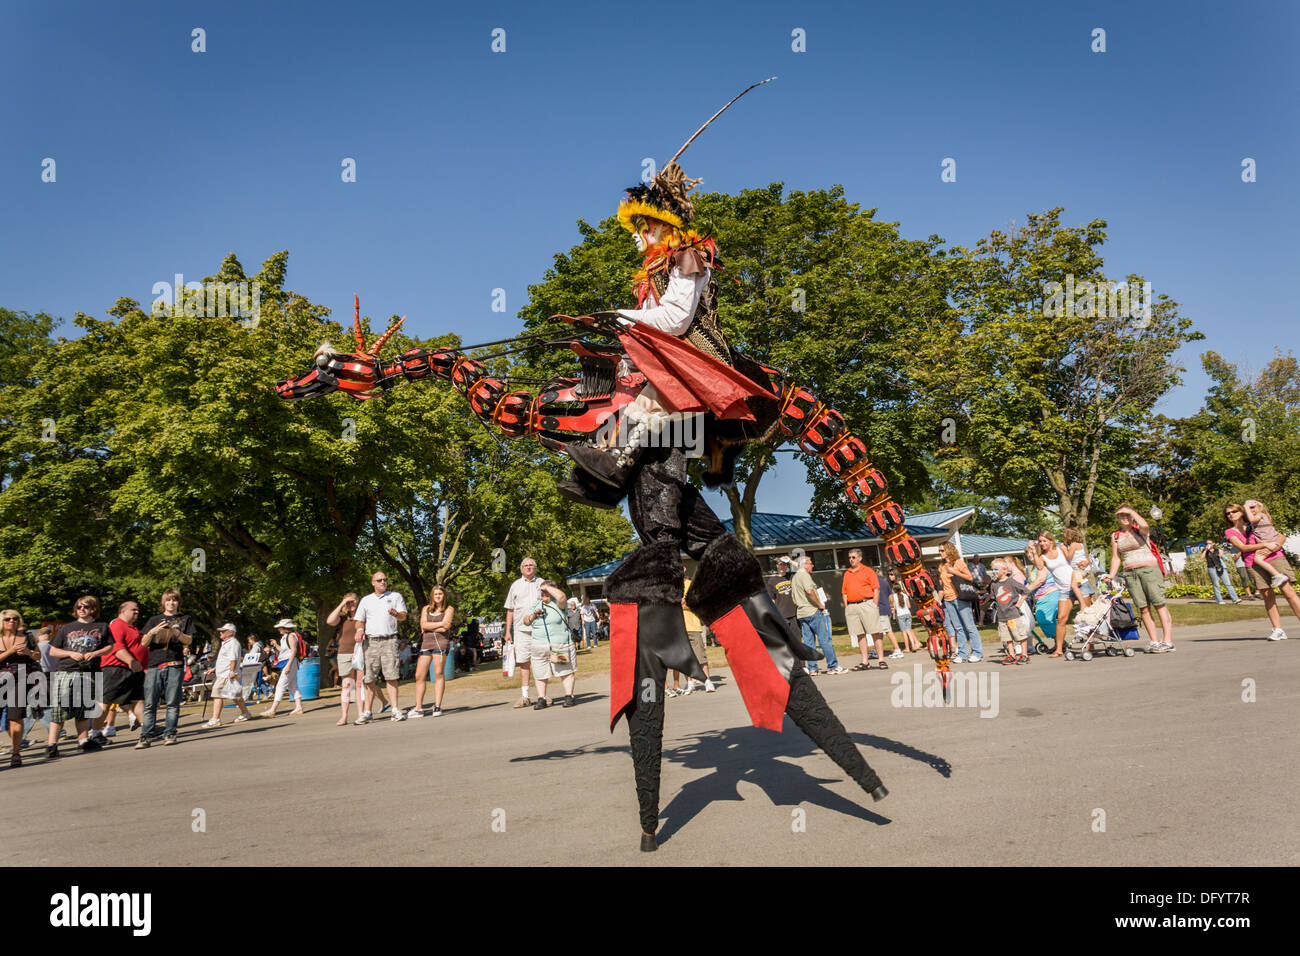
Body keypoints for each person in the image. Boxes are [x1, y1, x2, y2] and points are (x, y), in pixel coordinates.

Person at [47, 595, 114, 758]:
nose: (82, 609)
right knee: (59, 709)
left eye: (86, 607)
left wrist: (95, 653)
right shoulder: (66, 628)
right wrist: (70, 653)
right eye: (79, 607)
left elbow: (110, 646)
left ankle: (83, 741)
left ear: (93, 609)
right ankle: (51, 745)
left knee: (84, 710)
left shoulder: (102, 626)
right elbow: (52, 650)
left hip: (89, 672)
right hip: (67, 671)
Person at [1225, 502, 1300, 640]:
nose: (1231, 515)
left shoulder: (1256, 522)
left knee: (1289, 592)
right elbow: (1242, 547)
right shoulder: (1230, 532)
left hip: (1274, 558)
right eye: (1228, 513)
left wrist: (1272, 548)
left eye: (1234, 511)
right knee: (1267, 596)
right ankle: (1278, 630)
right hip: (1253, 563)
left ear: (1241, 511)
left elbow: (1281, 537)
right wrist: (1265, 544)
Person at [1106, 505, 1174, 652]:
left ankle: (1167, 641)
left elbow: (1145, 525)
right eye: (1121, 515)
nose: (1124, 518)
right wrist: (1111, 575)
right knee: (1143, 608)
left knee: (1159, 604)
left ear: (1132, 515)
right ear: (1117, 518)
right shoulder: (1115, 535)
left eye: (1127, 515)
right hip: (1130, 573)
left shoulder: (1139, 529)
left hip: (1149, 569)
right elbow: (1116, 557)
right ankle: (1154, 641)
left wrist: (1130, 511)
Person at [137, 589, 195, 748]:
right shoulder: (154, 619)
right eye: (168, 600)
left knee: (172, 702)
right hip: (154, 665)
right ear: (163, 602)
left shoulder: (185, 619)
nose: (171, 603)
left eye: (174, 600)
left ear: (178, 602)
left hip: (174, 664)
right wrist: (152, 631)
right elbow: (143, 643)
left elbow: (188, 640)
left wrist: (176, 632)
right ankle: (145, 735)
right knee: (150, 703)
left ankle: (170, 733)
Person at [354, 570, 408, 723]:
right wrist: (359, 630)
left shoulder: (395, 596)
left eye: (385, 579)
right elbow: (359, 620)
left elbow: (403, 616)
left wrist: (397, 614)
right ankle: (367, 712)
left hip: (390, 640)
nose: (383, 582)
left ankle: (395, 709)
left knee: (392, 675)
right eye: (379, 580)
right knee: (369, 677)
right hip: (371, 642)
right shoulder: (366, 600)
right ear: (373, 583)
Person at [99, 601, 148, 742]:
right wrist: (131, 661)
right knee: (105, 702)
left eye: (137, 609)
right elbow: (116, 647)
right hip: (116, 669)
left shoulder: (132, 628)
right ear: (123, 611)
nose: (137, 612)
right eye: (134, 609)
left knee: (138, 700)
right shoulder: (117, 625)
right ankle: (95, 733)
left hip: (133, 670)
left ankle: (146, 729)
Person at [523, 581, 577, 708]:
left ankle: (569, 696)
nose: (544, 593)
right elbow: (526, 621)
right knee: (540, 673)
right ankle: (541, 698)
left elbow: (562, 597)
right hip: (539, 647)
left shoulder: (559, 604)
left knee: (564, 670)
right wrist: (534, 615)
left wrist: (547, 587)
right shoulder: (536, 605)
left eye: (546, 591)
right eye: (542, 591)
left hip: (557, 645)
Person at [1031, 532, 1082, 657]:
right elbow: (1039, 566)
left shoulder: (1061, 549)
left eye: (1044, 541)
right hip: (1064, 589)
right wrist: (1033, 550)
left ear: (1051, 541)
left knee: (1086, 614)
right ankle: (1059, 650)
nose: (1042, 543)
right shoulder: (1042, 557)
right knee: (1061, 619)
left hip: (1078, 584)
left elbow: (1074, 560)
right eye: (1040, 541)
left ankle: (1091, 646)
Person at [1, 609, 40, 767]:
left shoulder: (28, 637)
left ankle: (16, 753)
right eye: (8, 619)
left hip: (20, 681)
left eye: (15, 618)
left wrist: (29, 652)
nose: (12, 621)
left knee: (16, 717)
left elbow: (38, 657)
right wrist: (9, 651)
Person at [503, 557, 543, 709]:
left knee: (540, 660)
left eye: (531, 565)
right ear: (521, 568)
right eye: (525, 565)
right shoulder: (515, 585)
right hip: (520, 630)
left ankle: (542, 695)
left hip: (539, 628)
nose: (528, 567)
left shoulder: (541, 583)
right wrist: (508, 630)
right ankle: (525, 696)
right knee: (524, 661)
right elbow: (510, 609)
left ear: (535, 568)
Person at [794, 555, 843, 674]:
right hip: (812, 611)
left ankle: (812, 668)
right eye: (810, 563)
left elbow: (794, 599)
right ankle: (833, 666)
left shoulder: (795, 577)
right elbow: (809, 591)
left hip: (801, 613)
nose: (812, 565)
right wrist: (819, 604)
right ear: (805, 565)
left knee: (809, 642)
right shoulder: (804, 576)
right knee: (824, 639)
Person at [412, 585, 455, 717]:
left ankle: (437, 706)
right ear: (432, 595)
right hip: (426, 643)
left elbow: (446, 626)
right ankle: (418, 707)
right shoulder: (426, 609)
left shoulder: (449, 609)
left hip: (440, 643)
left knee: (438, 673)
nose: (438, 596)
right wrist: (439, 624)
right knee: (419, 675)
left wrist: (432, 627)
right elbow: (423, 625)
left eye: (440, 594)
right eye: (435, 594)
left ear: (444, 596)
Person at [937, 543, 983, 663]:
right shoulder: (941, 565)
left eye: (942, 550)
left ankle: (977, 652)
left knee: (969, 626)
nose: (940, 553)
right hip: (948, 599)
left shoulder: (958, 562)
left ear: (949, 550)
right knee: (958, 628)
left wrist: (954, 572)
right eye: (939, 551)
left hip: (960, 597)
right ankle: (963, 654)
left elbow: (970, 577)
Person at [326, 593, 365, 725]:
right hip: (344, 653)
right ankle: (344, 716)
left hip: (360, 652)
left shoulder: (363, 615)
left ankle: (361, 714)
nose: (351, 604)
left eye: (352, 601)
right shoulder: (342, 618)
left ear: (357, 601)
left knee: (360, 685)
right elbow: (330, 621)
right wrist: (342, 604)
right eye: (348, 602)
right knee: (346, 685)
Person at [841, 549, 881, 671]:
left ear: (860, 558)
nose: (851, 560)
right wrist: (847, 606)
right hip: (852, 606)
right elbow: (844, 592)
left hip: (867, 604)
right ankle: (865, 661)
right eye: (849, 557)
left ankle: (881, 660)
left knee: (875, 632)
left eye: (853, 557)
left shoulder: (868, 571)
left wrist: (874, 605)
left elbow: (876, 589)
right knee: (859, 635)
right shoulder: (847, 573)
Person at [204, 624, 252, 726]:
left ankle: (215, 719)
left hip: (226, 674)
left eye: (223, 631)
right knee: (234, 695)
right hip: (225, 673)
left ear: (230, 632)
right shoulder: (227, 643)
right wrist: (214, 669)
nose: (220, 633)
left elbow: (233, 659)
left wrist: (231, 671)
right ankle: (245, 713)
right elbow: (226, 660)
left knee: (217, 693)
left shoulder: (233, 643)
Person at [680, 565, 716, 693]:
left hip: (693, 625)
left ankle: (708, 681)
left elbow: (697, 604)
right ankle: (689, 683)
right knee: (684, 658)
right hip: (678, 627)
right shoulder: (672, 588)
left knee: (700, 656)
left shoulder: (691, 585)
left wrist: (684, 605)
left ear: (684, 570)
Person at [1243, 500, 1295, 589]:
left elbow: (1252, 519)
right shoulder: (1259, 520)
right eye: (1249, 508)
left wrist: (1246, 508)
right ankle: (1277, 575)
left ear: (1260, 508)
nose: (1251, 510)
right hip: (1270, 542)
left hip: (1269, 542)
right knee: (1259, 559)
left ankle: (1278, 575)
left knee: (1258, 559)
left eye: (1253, 507)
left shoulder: (1260, 515)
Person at [261, 619, 306, 717]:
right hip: (290, 662)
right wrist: (276, 644)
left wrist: (288, 665)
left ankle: (273, 710)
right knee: (292, 686)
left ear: (285, 628)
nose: (279, 629)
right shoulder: (286, 636)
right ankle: (299, 707)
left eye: (280, 627)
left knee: (280, 686)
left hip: (290, 663)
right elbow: (284, 651)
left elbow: (293, 651)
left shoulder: (291, 636)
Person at [990, 559, 1030, 664]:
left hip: (1013, 614)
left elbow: (1025, 591)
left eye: (996, 569)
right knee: (1006, 637)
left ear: (1004, 570)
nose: (994, 572)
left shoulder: (1011, 582)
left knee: (1020, 635)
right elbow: (995, 598)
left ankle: (1024, 654)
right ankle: (1012, 655)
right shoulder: (994, 584)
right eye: (992, 569)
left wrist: (1020, 602)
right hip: (1002, 616)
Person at [766, 555, 798, 637]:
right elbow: (772, 600)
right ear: (777, 566)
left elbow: (802, 568)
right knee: (786, 638)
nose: (782, 566)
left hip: (794, 613)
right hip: (781, 614)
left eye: (784, 564)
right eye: (780, 564)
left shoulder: (791, 576)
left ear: (787, 566)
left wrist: (790, 561)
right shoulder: (772, 581)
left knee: (797, 637)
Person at [888, 572, 921, 652]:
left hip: (900, 615)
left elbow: (893, 607)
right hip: (908, 614)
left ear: (893, 589)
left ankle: (907, 648)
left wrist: (892, 610)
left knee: (904, 632)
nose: (890, 576)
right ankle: (913, 645)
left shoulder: (894, 596)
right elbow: (909, 606)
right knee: (909, 630)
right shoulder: (904, 595)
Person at [875, 567, 903, 660]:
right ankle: (878, 650)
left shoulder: (873, 583)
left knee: (888, 630)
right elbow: (890, 596)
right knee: (879, 631)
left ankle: (897, 650)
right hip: (884, 608)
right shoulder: (884, 582)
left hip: (880, 609)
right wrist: (891, 607)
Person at [1062, 528, 1094, 609]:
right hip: (1082, 570)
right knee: (1080, 583)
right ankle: (1091, 600)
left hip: (1078, 570)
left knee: (1074, 585)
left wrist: (1064, 549)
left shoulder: (1073, 545)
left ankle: (1083, 604)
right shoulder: (1081, 545)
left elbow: (1069, 557)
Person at [1204, 540, 1242, 604]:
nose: (1208, 544)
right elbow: (1201, 557)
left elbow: (1226, 559)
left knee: (1228, 584)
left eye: (1210, 543)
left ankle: (1235, 599)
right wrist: (1205, 550)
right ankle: (1220, 600)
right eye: (1207, 543)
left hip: (1221, 568)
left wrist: (1222, 556)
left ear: (1213, 543)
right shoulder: (1205, 551)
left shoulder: (1218, 550)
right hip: (1211, 568)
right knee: (1216, 585)